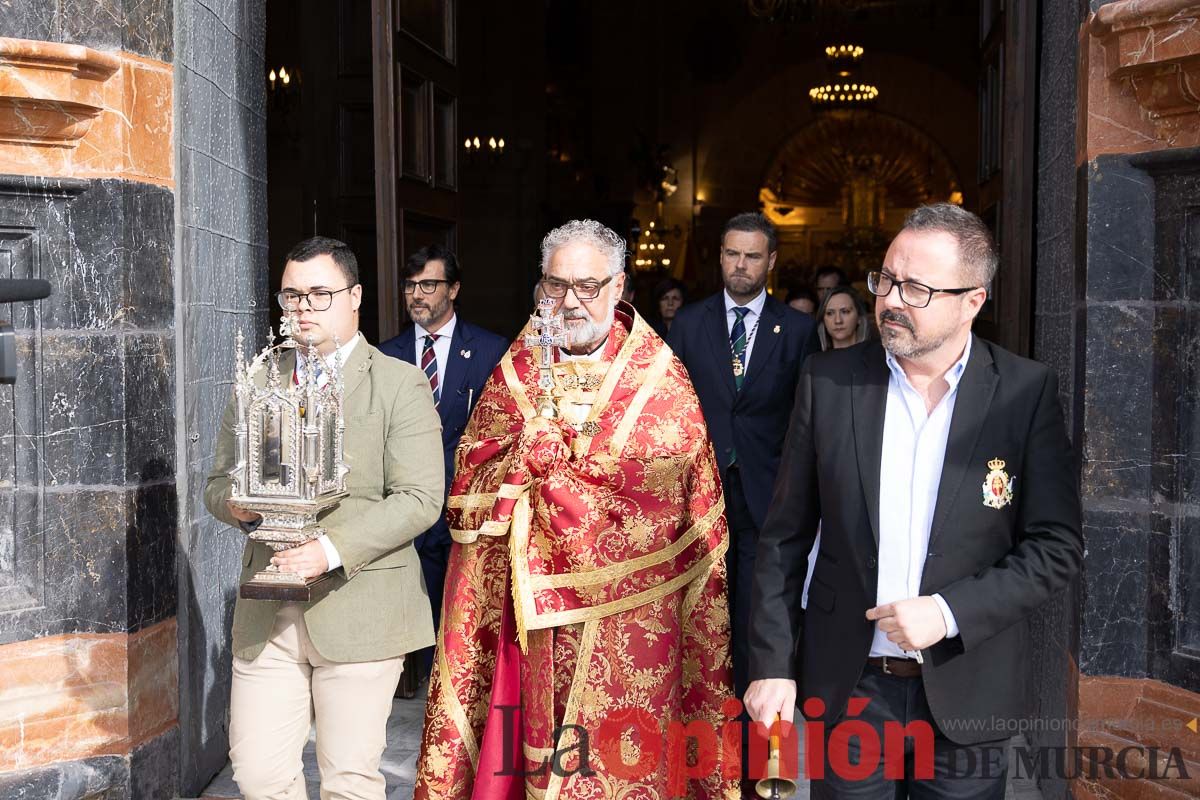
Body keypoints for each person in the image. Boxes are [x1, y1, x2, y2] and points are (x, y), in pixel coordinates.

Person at [746, 204, 1082, 799]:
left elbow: (1056, 546)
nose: (890, 299)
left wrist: (949, 613)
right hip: (850, 690)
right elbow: (783, 536)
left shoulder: (1024, 393)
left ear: (972, 301)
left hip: (968, 691)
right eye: (886, 279)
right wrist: (773, 662)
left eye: (916, 288)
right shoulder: (830, 382)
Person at [414, 220, 735, 800]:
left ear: (619, 289)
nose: (569, 302)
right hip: (530, 621)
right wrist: (518, 459)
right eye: (555, 286)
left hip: (627, 616)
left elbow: (665, 491)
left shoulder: (662, 381)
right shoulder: (517, 370)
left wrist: (558, 478)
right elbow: (468, 477)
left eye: (587, 286)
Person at [204, 236, 445, 800]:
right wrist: (239, 507)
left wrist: (330, 549)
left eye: (319, 294)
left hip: (360, 605)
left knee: (349, 782)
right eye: (292, 296)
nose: (304, 309)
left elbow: (419, 497)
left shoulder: (397, 382)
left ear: (354, 296)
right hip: (269, 615)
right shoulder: (259, 381)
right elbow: (217, 484)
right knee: (259, 774)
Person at [667, 212, 816, 697]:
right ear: (721, 256)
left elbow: (805, 415)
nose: (741, 264)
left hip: (765, 491)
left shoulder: (795, 329)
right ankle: (703, 716)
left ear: (771, 261)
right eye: (733, 253)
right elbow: (670, 406)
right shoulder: (689, 323)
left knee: (757, 611)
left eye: (752, 256)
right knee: (700, 611)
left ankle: (753, 730)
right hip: (699, 494)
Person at [378, 244, 509, 680]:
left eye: (429, 285)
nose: (417, 294)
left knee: (456, 609)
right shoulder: (385, 355)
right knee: (402, 600)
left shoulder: (491, 350)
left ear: (453, 289)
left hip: (464, 503)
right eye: (411, 286)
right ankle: (404, 681)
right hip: (402, 501)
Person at [815, 285, 873, 351]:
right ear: (823, 320)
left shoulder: (877, 357)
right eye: (830, 313)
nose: (838, 320)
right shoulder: (814, 360)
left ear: (859, 317)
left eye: (845, 312)